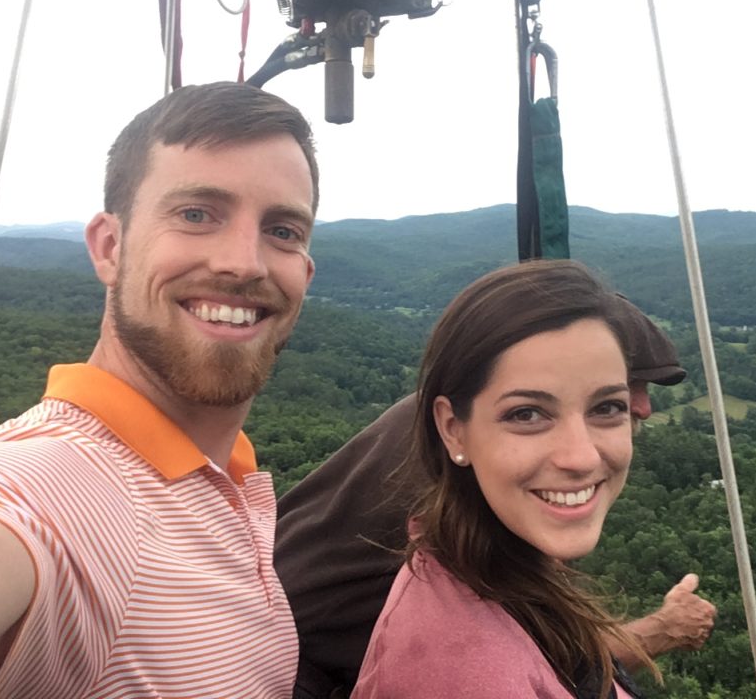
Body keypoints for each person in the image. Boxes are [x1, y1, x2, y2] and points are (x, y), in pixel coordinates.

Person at [0, 82, 318, 699]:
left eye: (283, 230)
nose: (246, 262)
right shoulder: (36, 497)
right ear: (110, 248)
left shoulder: (227, 478)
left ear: (305, 270)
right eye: (197, 214)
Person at [277, 289, 716, 698]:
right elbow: (512, 656)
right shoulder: (444, 475)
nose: (644, 406)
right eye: (527, 413)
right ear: (452, 428)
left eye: (610, 401)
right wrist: (660, 629)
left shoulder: (479, 480)